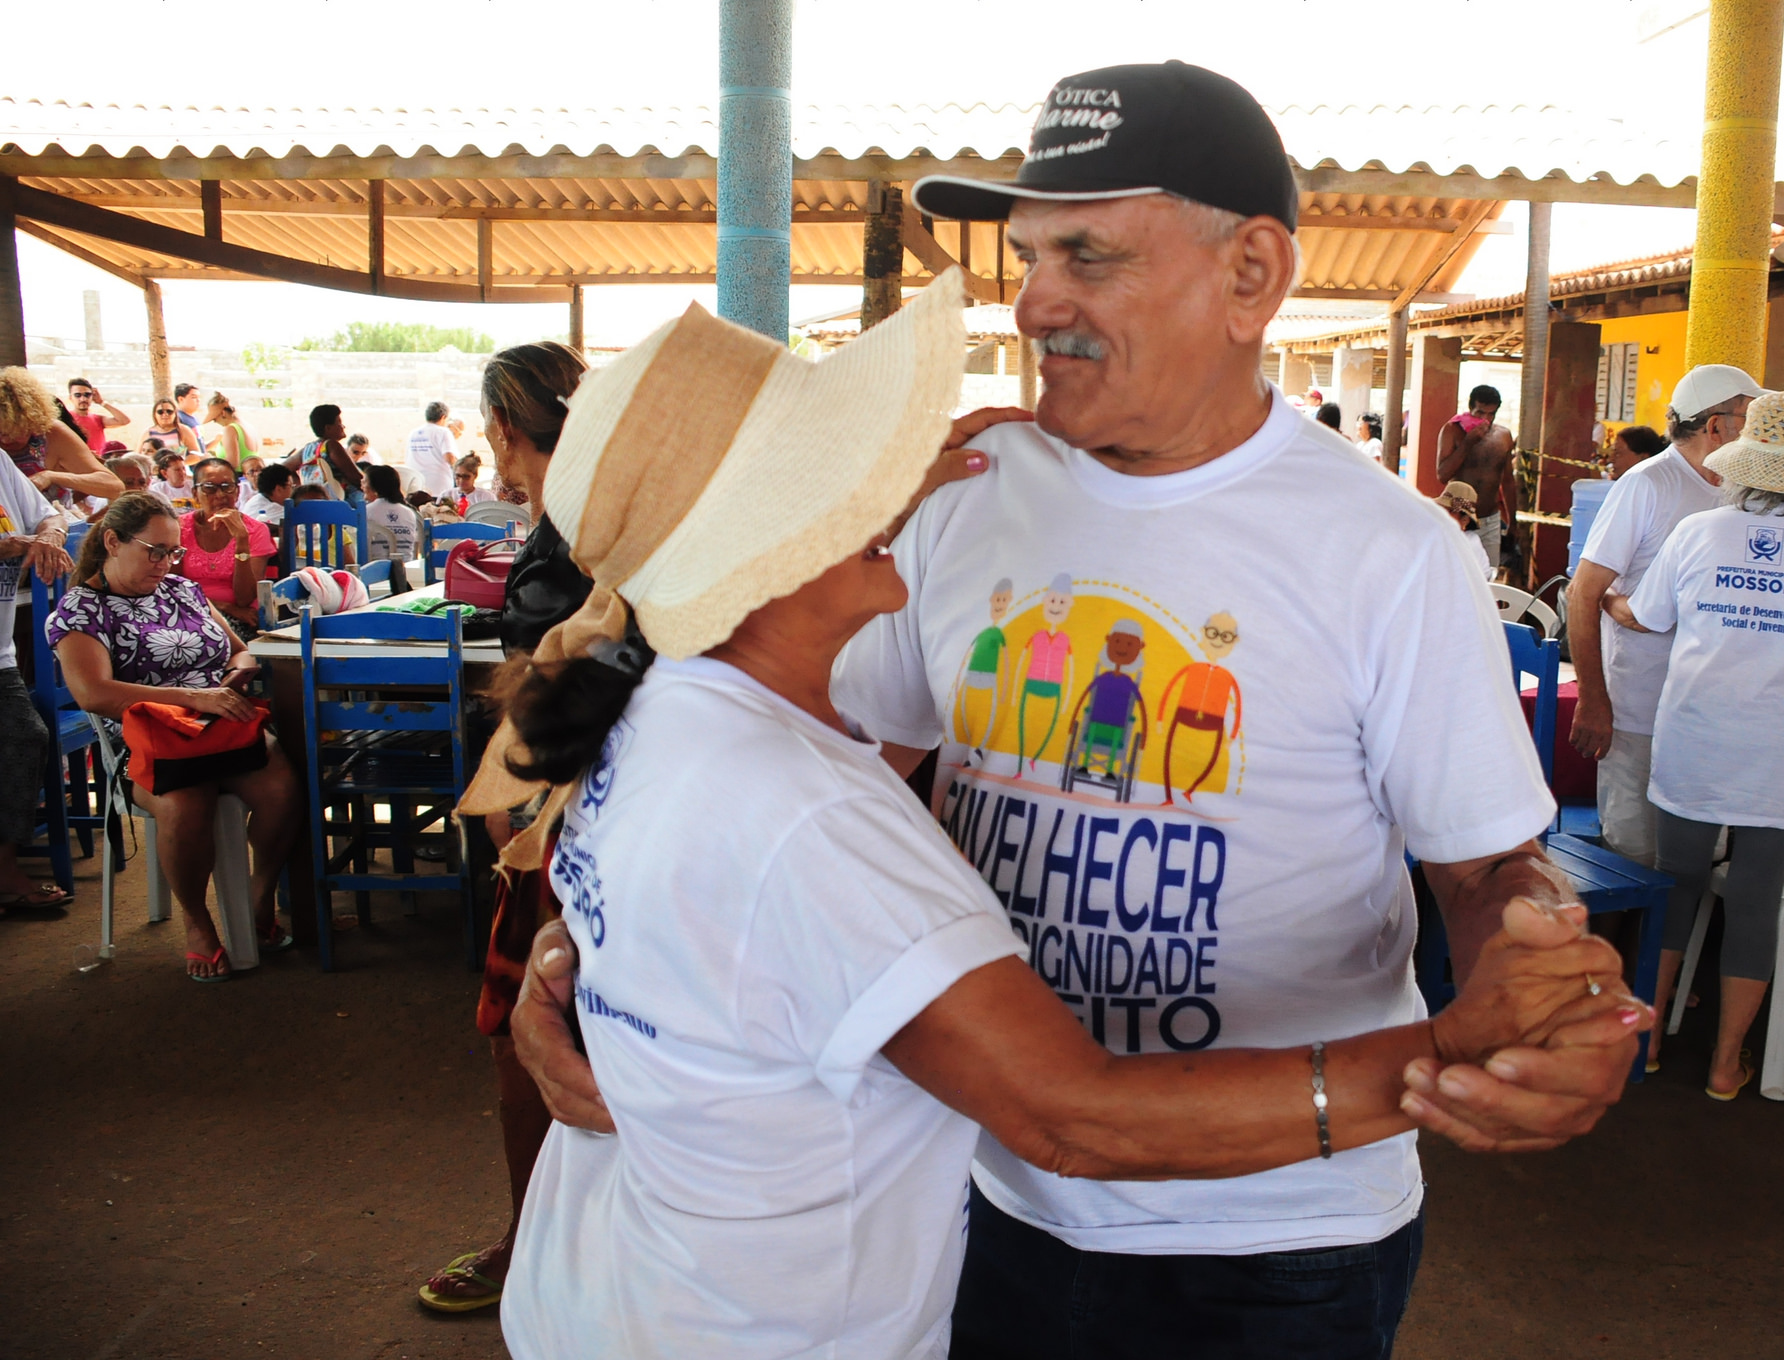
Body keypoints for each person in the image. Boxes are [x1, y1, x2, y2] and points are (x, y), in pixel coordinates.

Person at [516, 61, 1647, 1359]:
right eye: (1028, 254)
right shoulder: (959, 499)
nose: (1035, 300)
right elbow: (814, 790)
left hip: (1276, 1235)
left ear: (1252, 277)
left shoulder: (1388, 549)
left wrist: (1549, 975)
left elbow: (1490, 858)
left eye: (1090, 256)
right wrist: (609, 962)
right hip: (989, 1183)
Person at [1605, 391, 1784, 1097]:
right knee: (1755, 897)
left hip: (1700, 735)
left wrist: (1609, 601)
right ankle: (1726, 1064)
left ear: (1744, 462)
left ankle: (1651, 1041)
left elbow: (1647, 616)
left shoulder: (1699, 532)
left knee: (1678, 883)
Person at [416, 340, 592, 1316]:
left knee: (527, 1033)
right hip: (611, 814)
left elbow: (550, 704)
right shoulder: (628, 513)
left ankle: (531, 1244)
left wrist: (518, 807)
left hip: (562, 820)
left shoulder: (569, 530)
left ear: (499, 432)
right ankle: (557, 1241)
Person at [47, 492, 302, 978]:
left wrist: (233, 679)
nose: (166, 563)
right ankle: (198, 921)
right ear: (111, 542)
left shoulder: (181, 591)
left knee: (283, 787)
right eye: (155, 551)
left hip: (217, 726)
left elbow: (240, 652)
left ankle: (258, 895)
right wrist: (194, 699)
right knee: (188, 803)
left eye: (172, 552)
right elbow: (94, 693)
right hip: (145, 742)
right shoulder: (81, 611)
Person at [1564, 363, 1764, 866]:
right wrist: (1593, 699)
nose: (1757, 425)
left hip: (1710, 714)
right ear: (1716, 425)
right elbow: (1583, 593)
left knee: (1698, 860)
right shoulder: (1650, 484)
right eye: (1749, 414)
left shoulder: (1742, 492)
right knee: (1632, 858)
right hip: (1640, 707)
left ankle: (1676, 949)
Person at [0, 449, 75, 914]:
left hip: (0, 654)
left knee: (26, 737)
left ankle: (3, 863)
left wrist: (47, 536)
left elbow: (51, 515)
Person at [176, 457, 276, 637]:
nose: (220, 495)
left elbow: (244, 599)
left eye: (227, 487)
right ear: (195, 493)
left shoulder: (255, 531)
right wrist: (223, 607)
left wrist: (241, 540)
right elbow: (172, 586)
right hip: (187, 611)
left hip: (239, 618)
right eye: (209, 488)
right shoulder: (179, 528)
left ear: (237, 492)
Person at [0, 368, 124, 504]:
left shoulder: (52, 433)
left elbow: (114, 486)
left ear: (32, 421)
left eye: (15, 432)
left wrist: (52, 477)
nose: (5, 440)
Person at [1436, 384, 1516, 569]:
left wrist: (1512, 521)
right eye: (1480, 413)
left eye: (1491, 414)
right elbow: (1442, 474)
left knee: (1489, 580)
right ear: (1470, 408)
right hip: (1461, 518)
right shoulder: (1452, 430)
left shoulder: (1503, 435)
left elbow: (1508, 481)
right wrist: (1467, 443)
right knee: (1457, 573)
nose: (1485, 419)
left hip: (1490, 518)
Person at [291, 405, 364, 509]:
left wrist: (301, 487)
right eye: (339, 422)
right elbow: (356, 478)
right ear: (328, 428)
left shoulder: (307, 449)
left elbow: (284, 468)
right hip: (342, 505)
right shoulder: (331, 445)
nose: (343, 426)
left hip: (320, 503)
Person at [363, 464, 420, 566]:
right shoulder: (409, 513)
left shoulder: (366, 511)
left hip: (375, 571)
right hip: (407, 570)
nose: (362, 485)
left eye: (364, 482)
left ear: (373, 487)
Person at [407, 401, 460, 501]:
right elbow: (449, 457)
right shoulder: (443, 432)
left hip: (416, 485)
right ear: (443, 417)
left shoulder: (413, 433)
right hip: (438, 486)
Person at [66, 377, 130, 455]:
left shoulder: (97, 419)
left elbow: (124, 420)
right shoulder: (66, 418)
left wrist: (101, 402)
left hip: (98, 463)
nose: (83, 399)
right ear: (70, 398)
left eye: (87, 395)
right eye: (77, 395)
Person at [1437, 479, 1490, 571]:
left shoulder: (1468, 543)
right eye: (1440, 509)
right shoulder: (1442, 537)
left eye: (1449, 511)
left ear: (1464, 520)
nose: (1442, 515)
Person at [206, 392, 257, 468]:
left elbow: (232, 463)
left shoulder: (230, 429)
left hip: (235, 476)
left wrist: (210, 461)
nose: (215, 422)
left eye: (215, 418)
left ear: (223, 413)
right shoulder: (248, 426)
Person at [240, 462, 296, 529]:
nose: (293, 490)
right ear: (279, 489)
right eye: (291, 486)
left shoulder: (254, 501)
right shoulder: (276, 510)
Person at [150, 448, 198, 512]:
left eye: (183, 468)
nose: (182, 473)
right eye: (177, 470)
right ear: (164, 473)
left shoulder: (194, 486)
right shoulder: (157, 490)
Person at [172, 382, 207, 449]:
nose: (198, 400)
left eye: (199, 397)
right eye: (194, 397)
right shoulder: (178, 418)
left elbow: (200, 447)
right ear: (181, 399)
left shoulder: (194, 419)